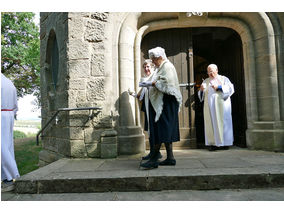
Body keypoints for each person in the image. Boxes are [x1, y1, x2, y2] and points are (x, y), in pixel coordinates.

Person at [138, 47, 182, 169]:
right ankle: (170, 157)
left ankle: (153, 159)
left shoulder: (167, 67)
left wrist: (153, 83)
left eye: (154, 59)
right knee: (165, 130)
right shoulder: (160, 68)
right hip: (164, 103)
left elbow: (168, 84)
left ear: (159, 57)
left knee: (161, 130)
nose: (153, 62)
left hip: (166, 104)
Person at [128, 59, 163, 160]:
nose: (146, 69)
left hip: (155, 107)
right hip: (148, 107)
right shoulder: (144, 79)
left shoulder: (155, 77)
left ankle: (156, 153)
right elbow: (141, 96)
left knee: (156, 130)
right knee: (150, 131)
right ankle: (153, 152)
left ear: (152, 67)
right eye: (145, 67)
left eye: (148, 67)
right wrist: (133, 94)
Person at [198, 64, 234, 151]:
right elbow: (200, 95)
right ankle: (213, 144)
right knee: (212, 124)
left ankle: (225, 143)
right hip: (210, 108)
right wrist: (201, 90)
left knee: (223, 123)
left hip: (223, 106)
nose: (210, 73)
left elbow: (230, 89)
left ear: (217, 70)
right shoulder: (206, 81)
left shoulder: (223, 79)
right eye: (208, 71)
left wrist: (219, 87)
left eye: (211, 71)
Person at [1, 73, 20, 192]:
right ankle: (6, 177)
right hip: (8, 114)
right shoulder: (8, 82)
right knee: (7, 147)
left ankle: (13, 174)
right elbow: (15, 105)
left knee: (2, 148)